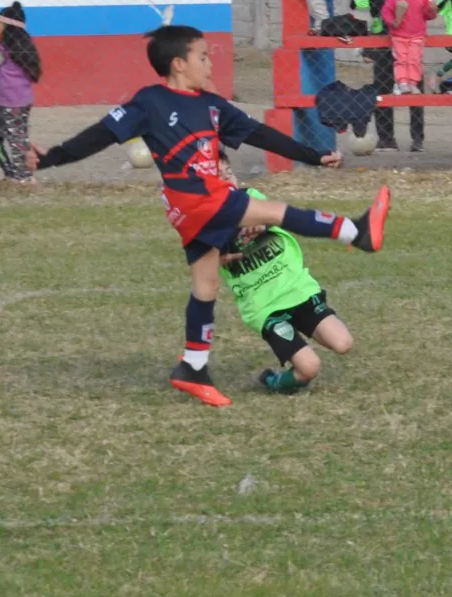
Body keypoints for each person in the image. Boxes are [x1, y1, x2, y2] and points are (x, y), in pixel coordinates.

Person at [25, 25, 391, 407]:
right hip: (199, 198)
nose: (209, 63)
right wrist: (51, 157)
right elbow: (98, 136)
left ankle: (193, 366)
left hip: (194, 209)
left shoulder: (212, 106)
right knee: (277, 212)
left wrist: (312, 155)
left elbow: (260, 134)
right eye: (202, 56)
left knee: (206, 287)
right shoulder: (149, 102)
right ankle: (355, 232)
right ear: (178, 64)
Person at [216, 153, 354, 395]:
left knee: (343, 343)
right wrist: (219, 254)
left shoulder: (251, 198)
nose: (228, 182)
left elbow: (280, 217)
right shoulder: (204, 222)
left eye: (229, 174)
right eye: (219, 178)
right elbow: (202, 256)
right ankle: (275, 382)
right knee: (309, 368)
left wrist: (263, 224)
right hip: (265, 305)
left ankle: (303, 330)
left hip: (296, 287)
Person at [0, 2, 41, 183]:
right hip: (23, 100)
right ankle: (23, 172)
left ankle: (24, 177)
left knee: (16, 139)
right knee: (19, 136)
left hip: (10, 102)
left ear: (6, 27)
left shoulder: (3, 49)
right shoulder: (21, 47)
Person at [380, 0, 438, 95]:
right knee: (401, 58)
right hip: (398, 34)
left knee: (414, 59)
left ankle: (413, 82)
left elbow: (428, 16)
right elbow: (386, 11)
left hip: (417, 35)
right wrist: (392, 22)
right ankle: (402, 82)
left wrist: (432, 11)